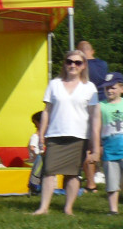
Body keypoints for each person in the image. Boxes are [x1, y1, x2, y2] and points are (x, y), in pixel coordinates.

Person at [32, 49, 100, 216]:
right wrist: (41, 134)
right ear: (64, 64)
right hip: (55, 134)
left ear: (84, 66)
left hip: (79, 136)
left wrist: (95, 145)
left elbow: (95, 117)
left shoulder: (89, 88)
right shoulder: (54, 84)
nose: (73, 65)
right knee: (49, 171)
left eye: (77, 62)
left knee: (73, 174)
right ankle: (43, 208)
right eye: (69, 61)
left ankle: (68, 208)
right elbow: (46, 111)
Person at [79, 41, 108, 191]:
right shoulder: (103, 65)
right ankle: (101, 172)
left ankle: (91, 182)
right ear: (93, 51)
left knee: (89, 147)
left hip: (87, 107)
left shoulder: (81, 66)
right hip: (105, 105)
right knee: (103, 143)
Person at [97, 72, 123, 215]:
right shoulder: (101, 106)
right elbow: (96, 127)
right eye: (107, 88)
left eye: (113, 87)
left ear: (121, 88)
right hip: (109, 150)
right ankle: (113, 209)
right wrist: (97, 146)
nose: (109, 90)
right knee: (112, 182)